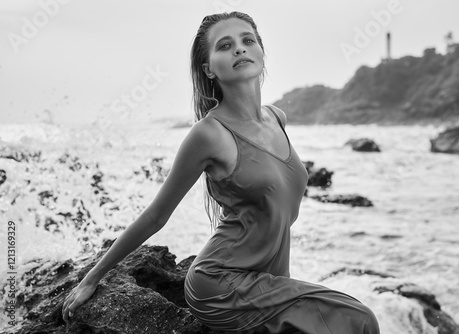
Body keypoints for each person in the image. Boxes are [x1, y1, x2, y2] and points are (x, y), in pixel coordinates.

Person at [62, 11, 380, 333]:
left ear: (261, 52)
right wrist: (93, 278)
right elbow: (156, 215)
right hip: (219, 283)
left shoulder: (277, 118)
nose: (239, 49)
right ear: (209, 68)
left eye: (247, 40)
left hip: (265, 280)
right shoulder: (209, 134)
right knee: (360, 319)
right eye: (225, 45)